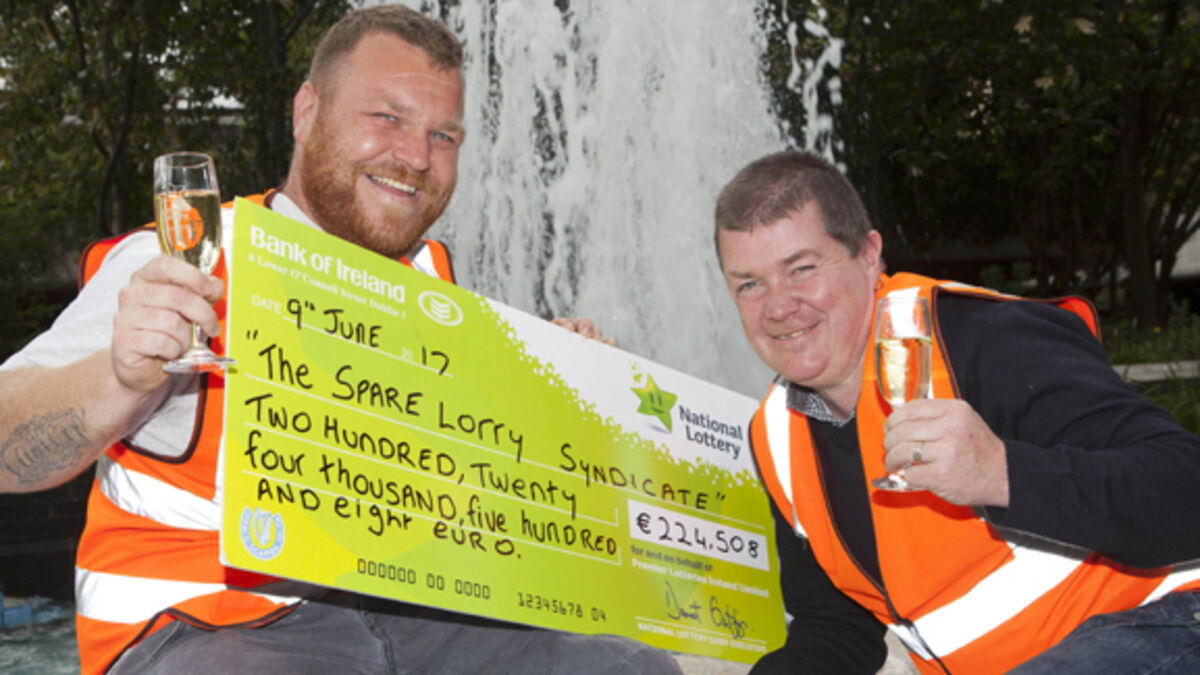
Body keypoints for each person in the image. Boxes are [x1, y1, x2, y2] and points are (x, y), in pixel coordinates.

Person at [0, 6, 677, 675]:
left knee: (634, 667)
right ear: (307, 112)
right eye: (387, 117)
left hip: (419, 613)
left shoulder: (439, 292)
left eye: (444, 135)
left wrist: (566, 400)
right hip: (204, 624)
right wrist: (118, 379)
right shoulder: (185, 259)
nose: (416, 157)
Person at [713, 150, 1200, 674]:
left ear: (869, 255)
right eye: (749, 284)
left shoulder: (983, 340)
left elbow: (1186, 487)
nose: (778, 306)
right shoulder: (776, 435)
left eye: (802, 269)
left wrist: (1002, 474)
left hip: (1166, 623)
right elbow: (836, 626)